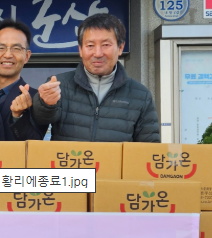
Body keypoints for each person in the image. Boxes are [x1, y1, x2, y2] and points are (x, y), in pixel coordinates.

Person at [31, 13, 160, 142]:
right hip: (69, 156)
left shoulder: (141, 96)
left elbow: (149, 147)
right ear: (80, 50)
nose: (98, 53)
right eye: (90, 45)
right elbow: (39, 122)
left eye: (106, 45)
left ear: (120, 48)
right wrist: (44, 104)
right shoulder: (59, 86)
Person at [0, 19, 44, 140]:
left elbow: (36, 144)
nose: (8, 55)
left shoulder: (37, 99)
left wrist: (18, 117)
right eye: (1, 48)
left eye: (16, 48)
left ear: (27, 56)